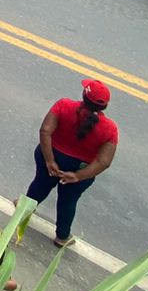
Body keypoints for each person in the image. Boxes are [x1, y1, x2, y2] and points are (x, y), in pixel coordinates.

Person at [25, 79, 118, 247]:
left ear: (84, 95)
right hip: (81, 168)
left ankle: (24, 210)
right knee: (68, 200)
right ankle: (62, 236)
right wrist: (77, 176)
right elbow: (104, 161)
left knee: (40, 183)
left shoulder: (64, 105)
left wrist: (49, 161)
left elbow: (45, 130)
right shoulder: (110, 129)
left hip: (52, 154)